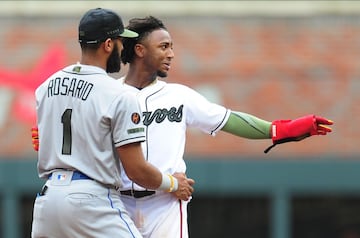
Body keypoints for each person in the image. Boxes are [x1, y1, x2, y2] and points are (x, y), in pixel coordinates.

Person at [32, 15, 333, 238]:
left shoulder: (177, 95)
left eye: (171, 47)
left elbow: (227, 119)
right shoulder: (110, 93)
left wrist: (278, 129)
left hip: (164, 203)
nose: (171, 53)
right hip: (114, 200)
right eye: (163, 46)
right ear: (138, 50)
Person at [31, 9, 194, 238]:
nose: (122, 48)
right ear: (108, 44)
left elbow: (48, 137)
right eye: (120, 41)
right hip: (91, 199)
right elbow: (136, 170)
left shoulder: (47, 86)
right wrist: (174, 184)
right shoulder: (117, 94)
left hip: (48, 201)